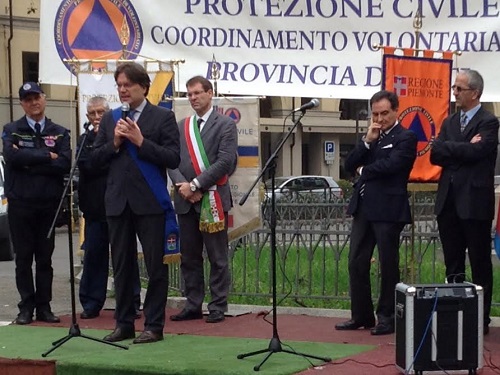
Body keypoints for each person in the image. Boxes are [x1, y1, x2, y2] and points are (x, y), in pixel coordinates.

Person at [92, 62, 180, 344]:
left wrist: (141, 141)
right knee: (121, 266)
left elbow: (173, 158)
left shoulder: (162, 118)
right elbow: (94, 161)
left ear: (143, 86)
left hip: (150, 202)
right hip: (118, 203)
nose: (123, 90)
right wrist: (115, 142)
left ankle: (154, 325)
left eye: (128, 84)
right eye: (119, 85)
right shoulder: (110, 119)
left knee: (155, 266)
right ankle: (124, 323)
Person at [335, 90, 417, 335]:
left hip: (388, 208)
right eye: (375, 114)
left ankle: (387, 316)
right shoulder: (373, 136)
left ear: (395, 111)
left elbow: (393, 165)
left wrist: (364, 171)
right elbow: (348, 165)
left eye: (384, 114)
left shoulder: (406, 137)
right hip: (364, 207)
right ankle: (361, 315)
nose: (379, 119)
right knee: (356, 262)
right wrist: (366, 142)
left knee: (388, 263)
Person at [430, 69, 499, 335]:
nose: (454, 93)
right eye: (454, 88)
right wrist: (462, 147)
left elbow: (479, 152)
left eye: (459, 89)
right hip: (448, 201)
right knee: (453, 262)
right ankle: (455, 310)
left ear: (475, 93)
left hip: (474, 202)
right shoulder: (449, 121)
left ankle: (481, 317)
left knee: (480, 262)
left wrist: (452, 149)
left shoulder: (488, 121)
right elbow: (436, 154)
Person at [168, 76, 238, 324]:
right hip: (186, 200)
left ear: (210, 93)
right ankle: (193, 303)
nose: (193, 98)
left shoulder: (226, 125)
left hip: (213, 200)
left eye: (198, 93)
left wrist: (196, 184)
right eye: (189, 94)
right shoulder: (181, 126)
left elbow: (226, 162)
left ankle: (218, 305)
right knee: (189, 256)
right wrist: (183, 187)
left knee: (217, 257)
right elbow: (172, 160)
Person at [2, 82, 71, 325]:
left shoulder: (60, 131)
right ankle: (25, 307)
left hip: (48, 205)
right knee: (23, 259)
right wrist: (45, 156)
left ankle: (44, 306)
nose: (33, 102)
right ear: (22, 103)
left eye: (37, 97)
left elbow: (63, 163)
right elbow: (11, 157)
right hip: (21, 203)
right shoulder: (12, 129)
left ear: (44, 99)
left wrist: (29, 161)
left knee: (45, 259)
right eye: (27, 99)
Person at [77, 96, 142, 320]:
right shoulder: (85, 139)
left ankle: (132, 302)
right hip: (95, 210)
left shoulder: (121, 136)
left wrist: (103, 156)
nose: (96, 117)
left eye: (101, 112)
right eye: (92, 113)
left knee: (125, 258)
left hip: (121, 206)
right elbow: (87, 164)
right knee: (94, 256)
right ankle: (91, 303)